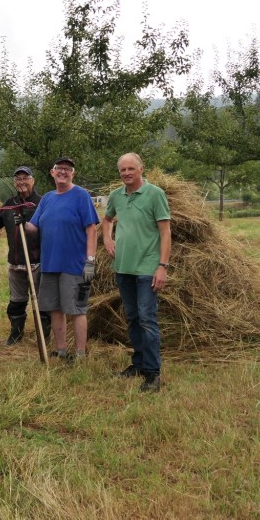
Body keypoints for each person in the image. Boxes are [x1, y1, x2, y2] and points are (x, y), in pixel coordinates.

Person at [101, 153, 171, 393]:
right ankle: (139, 364)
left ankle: (153, 374)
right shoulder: (116, 196)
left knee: (147, 319)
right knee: (132, 317)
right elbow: (107, 219)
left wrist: (162, 267)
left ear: (142, 169)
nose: (127, 173)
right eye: (122, 170)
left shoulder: (155, 194)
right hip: (123, 267)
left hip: (147, 268)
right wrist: (107, 239)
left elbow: (165, 233)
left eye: (131, 168)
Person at [22, 157, 99, 361]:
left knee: (76, 310)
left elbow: (92, 230)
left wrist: (90, 260)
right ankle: (61, 350)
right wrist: (20, 219)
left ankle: (80, 354)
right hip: (50, 264)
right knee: (55, 308)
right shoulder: (47, 198)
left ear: (73, 173)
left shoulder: (81, 195)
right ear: (52, 172)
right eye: (59, 169)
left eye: (68, 169)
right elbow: (33, 227)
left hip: (74, 265)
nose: (63, 172)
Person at [0, 166, 50, 346]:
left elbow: (50, 228)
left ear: (33, 180)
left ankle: (43, 336)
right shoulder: (9, 203)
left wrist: (27, 221)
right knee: (16, 302)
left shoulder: (41, 202)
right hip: (16, 261)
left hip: (37, 261)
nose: (21, 182)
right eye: (18, 179)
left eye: (25, 178)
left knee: (41, 302)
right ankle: (16, 334)